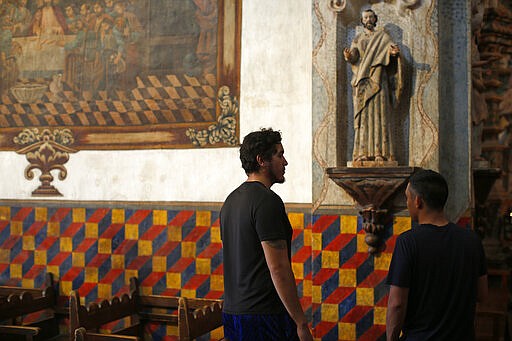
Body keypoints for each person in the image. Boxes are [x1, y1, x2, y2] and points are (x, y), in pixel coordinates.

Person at [220, 128, 313, 341]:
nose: (285, 162)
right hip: (263, 317)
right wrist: (300, 322)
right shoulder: (267, 201)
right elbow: (278, 268)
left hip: (232, 313)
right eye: (279, 155)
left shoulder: (230, 202)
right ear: (262, 160)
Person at [386, 169, 488, 340]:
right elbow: (482, 294)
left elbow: (397, 304)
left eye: (407, 198)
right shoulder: (471, 240)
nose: (407, 203)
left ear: (418, 201)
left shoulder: (408, 242)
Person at [343, 9, 402, 163]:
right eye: (365, 18)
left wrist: (394, 53)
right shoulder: (357, 38)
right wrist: (349, 56)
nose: (368, 20)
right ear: (362, 21)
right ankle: (361, 153)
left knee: (380, 115)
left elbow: (390, 51)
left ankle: (380, 153)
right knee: (363, 118)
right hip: (362, 80)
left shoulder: (383, 37)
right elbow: (354, 55)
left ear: (375, 19)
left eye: (371, 17)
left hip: (378, 79)